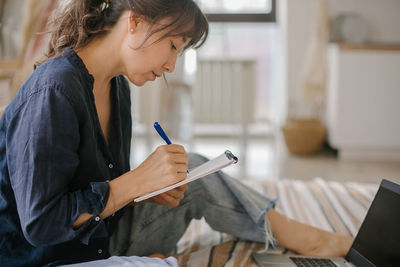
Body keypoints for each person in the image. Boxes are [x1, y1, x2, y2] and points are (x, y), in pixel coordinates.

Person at [0, 0, 353, 266]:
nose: (171, 65)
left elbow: (99, 188)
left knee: (196, 169)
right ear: (134, 21)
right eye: (172, 46)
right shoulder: (54, 91)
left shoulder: (116, 87)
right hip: (49, 257)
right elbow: (42, 223)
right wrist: (135, 183)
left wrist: (148, 191)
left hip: (98, 239)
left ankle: (305, 237)